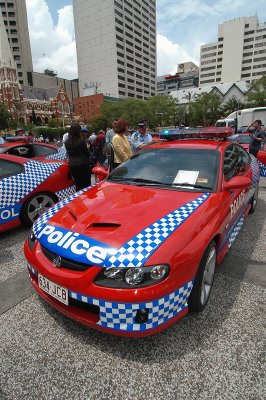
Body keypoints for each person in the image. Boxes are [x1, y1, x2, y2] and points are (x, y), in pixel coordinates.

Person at [65, 123, 91, 191]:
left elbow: (69, 153)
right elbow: (87, 154)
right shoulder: (81, 142)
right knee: (86, 184)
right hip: (83, 165)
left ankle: (79, 198)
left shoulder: (66, 142)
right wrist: (87, 148)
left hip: (72, 165)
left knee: (78, 184)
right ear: (78, 132)